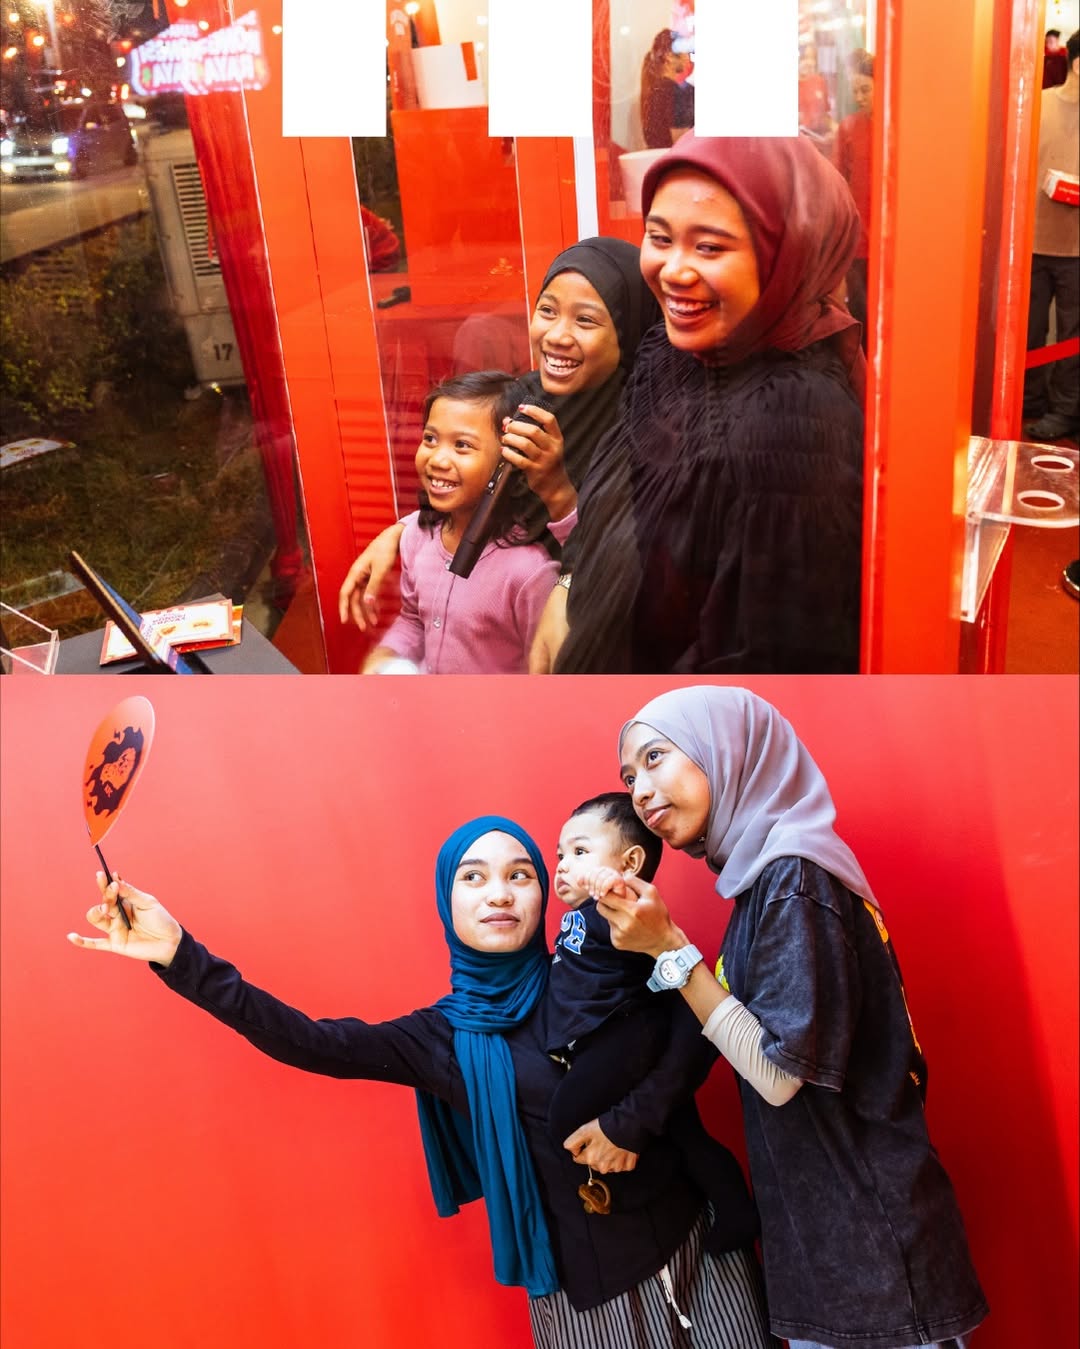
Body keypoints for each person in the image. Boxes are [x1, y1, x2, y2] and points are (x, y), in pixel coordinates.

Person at [67, 817, 774, 1349]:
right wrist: (181, 956)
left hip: (698, 1249)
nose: (499, 892)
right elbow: (308, 1039)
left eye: (520, 873)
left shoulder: (596, 968)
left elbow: (694, 1021)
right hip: (583, 1297)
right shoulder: (440, 1037)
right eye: (473, 875)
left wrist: (633, 1121)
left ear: (546, 889)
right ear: (447, 897)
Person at [576, 686, 988, 1349]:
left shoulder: (796, 874)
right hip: (833, 1255)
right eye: (629, 775)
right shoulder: (764, 884)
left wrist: (671, 949)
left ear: (729, 749)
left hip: (873, 1260)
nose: (641, 791)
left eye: (655, 757)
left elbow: (778, 1075)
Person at [549, 134, 866, 674]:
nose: (674, 270)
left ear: (786, 254)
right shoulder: (676, 352)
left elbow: (768, 658)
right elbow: (619, 507)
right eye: (660, 238)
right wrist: (571, 583)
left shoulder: (795, 419)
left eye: (710, 247)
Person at [338, 238, 660, 639]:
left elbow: (632, 567)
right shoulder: (519, 401)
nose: (557, 335)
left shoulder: (650, 431)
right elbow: (468, 481)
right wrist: (403, 531)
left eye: (586, 321)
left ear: (627, 335)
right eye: (547, 311)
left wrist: (555, 487)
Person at [546, 791, 761, 1256]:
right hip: (609, 1040)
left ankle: (631, 1192)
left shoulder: (620, 910)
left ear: (630, 863)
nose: (562, 865)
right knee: (686, 1133)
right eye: (560, 854)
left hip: (624, 1033)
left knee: (562, 1115)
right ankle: (737, 1210)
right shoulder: (580, 918)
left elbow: (635, 914)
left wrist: (611, 884)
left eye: (580, 852)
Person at [361, 371, 559, 674]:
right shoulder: (417, 537)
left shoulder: (529, 572)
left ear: (508, 462)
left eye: (462, 445)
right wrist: (387, 654)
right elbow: (414, 618)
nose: (438, 459)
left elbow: (542, 668)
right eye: (430, 439)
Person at [1023, 29, 1079, 444]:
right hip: (1032, 240)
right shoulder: (1037, 105)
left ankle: (1065, 409)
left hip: (1077, 249)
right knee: (1028, 329)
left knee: (1072, 334)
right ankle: (1026, 399)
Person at [833, 50, 874, 343]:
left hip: (890, 240)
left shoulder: (898, 126)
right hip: (858, 237)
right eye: (855, 91)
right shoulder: (849, 126)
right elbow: (838, 180)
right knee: (860, 313)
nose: (860, 96)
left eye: (865, 89)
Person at [640, 30, 695, 150]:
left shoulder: (656, 89)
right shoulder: (672, 91)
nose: (688, 56)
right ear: (669, 56)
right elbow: (682, 142)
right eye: (684, 49)